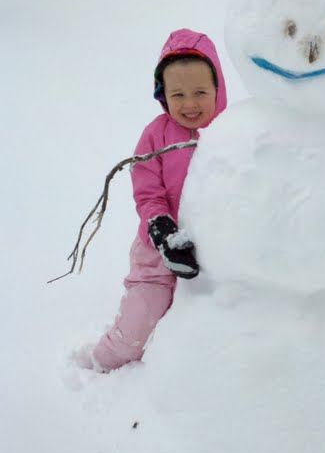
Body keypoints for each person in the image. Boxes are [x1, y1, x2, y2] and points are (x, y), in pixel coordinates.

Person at [77, 29, 227, 372]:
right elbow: (146, 189)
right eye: (178, 94)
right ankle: (104, 362)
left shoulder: (230, 133)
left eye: (200, 92)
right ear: (163, 95)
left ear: (218, 90)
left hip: (213, 256)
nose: (189, 104)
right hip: (156, 254)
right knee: (141, 320)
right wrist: (160, 225)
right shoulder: (155, 134)